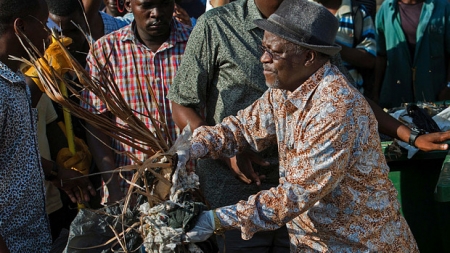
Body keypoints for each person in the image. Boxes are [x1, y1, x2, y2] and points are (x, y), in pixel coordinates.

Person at [168, 0, 450, 251]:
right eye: (263, 48)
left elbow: (295, 194)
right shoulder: (284, 90)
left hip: (360, 243)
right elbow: (241, 127)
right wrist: (192, 147)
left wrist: (215, 220)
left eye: (274, 52)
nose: (263, 59)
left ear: (308, 57)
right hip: (316, 241)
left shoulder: (335, 108)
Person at [0, 0, 94, 251]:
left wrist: (55, 173)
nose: (49, 33)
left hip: (31, 238)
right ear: (19, 27)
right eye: (43, 24)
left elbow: (12, 153)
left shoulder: (13, 79)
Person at [81, 0, 192, 204]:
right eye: (146, 6)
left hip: (190, 184)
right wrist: (114, 187)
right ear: (128, 4)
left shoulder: (195, 44)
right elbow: (96, 123)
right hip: (130, 189)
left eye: (164, 4)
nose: (156, 13)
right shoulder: (105, 51)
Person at [374, 0, 450, 108]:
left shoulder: (442, 7)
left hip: (434, 96)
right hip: (397, 97)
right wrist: (376, 94)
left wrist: (448, 86)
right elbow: (381, 55)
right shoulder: (387, 8)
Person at [316, 0, 376, 95]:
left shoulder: (358, 12)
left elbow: (369, 59)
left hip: (348, 96)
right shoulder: (301, 10)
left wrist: (332, 46)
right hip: (308, 98)